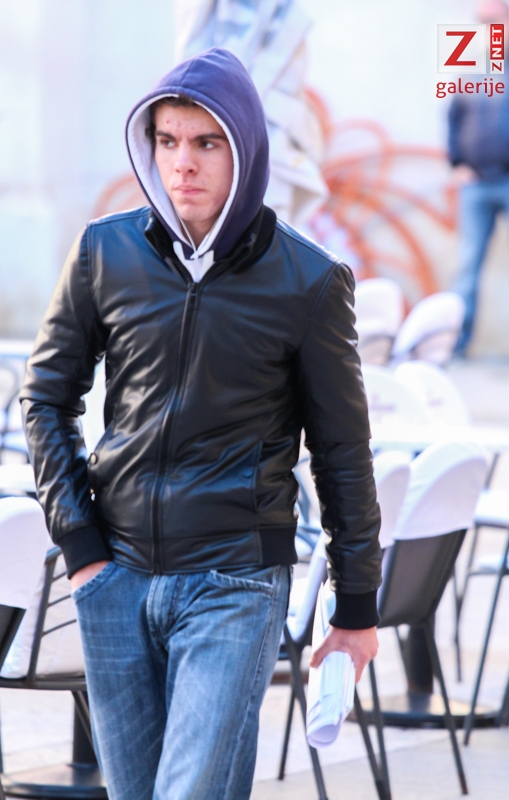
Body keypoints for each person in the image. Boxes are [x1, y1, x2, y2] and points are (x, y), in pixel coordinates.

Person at [20, 48, 381, 800]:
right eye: (168, 140)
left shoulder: (309, 281)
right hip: (114, 576)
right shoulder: (104, 252)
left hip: (234, 581)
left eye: (206, 142)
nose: (183, 162)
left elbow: (342, 450)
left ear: (244, 149)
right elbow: (45, 396)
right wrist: (82, 547)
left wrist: (354, 605)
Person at [449, 0, 509, 358]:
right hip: (476, 183)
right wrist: (457, 162)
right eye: (480, 20)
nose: (485, 26)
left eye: (492, 19)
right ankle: (455, 347)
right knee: (467, 268)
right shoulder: (468, 64)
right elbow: (453, 116)